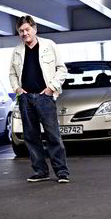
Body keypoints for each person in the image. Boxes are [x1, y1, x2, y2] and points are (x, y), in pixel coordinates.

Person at [9, 15, 69, 183]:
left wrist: (51, 88)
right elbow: (12, 73)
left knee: (53, 135)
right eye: (21, 31)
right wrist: (18, 90)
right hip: (26, 98)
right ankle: (41, 171)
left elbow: (61, 69)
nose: (24, 33)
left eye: (27, 29)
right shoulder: (17, 51)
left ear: (35, 29)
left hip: (45, 97)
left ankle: (62, 172)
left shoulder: (49, 46)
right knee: (31, 136)